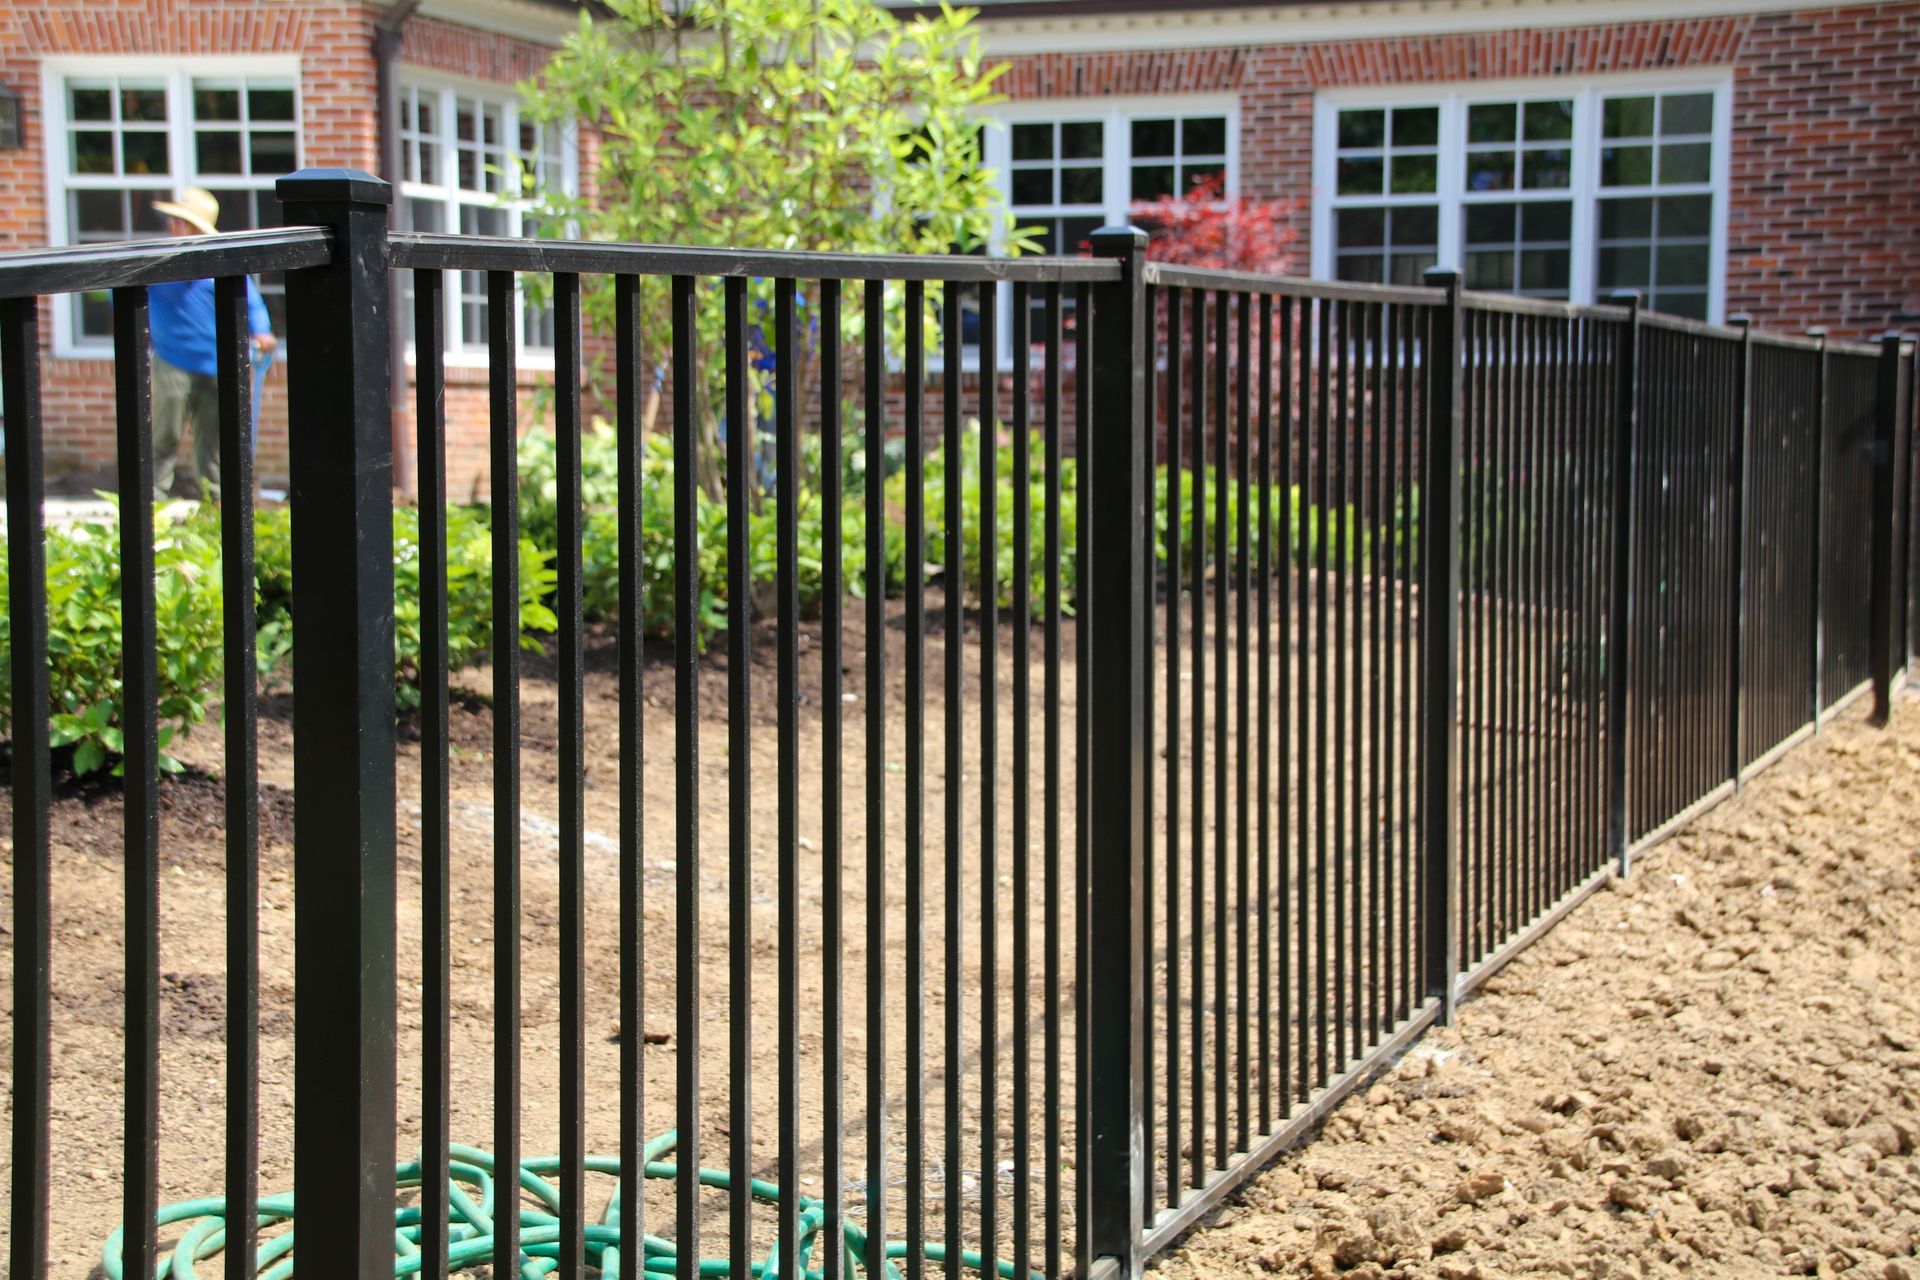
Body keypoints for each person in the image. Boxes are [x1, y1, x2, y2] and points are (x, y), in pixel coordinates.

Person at [146, 187, 278, 502]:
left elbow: (252, 303)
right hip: (172, 360)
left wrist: (262, 331)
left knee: (214, 440)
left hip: (220, 363)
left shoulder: (220, 265)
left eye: (183, 223)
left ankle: (216, 501)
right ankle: (153, 499)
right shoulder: (156, 264)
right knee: (166, 433)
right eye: (174, 221)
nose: (174, 227)